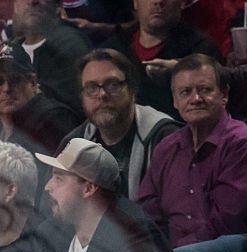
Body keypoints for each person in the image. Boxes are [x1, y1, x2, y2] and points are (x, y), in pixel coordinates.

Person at [137, 53, 247, 252]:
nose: (196, 99)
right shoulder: (166, 148)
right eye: (186, 92)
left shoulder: (244, 142)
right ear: (174, 100)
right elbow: (147, 214)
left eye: (205, 90)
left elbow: (229, 221)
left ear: (224, 95)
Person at [37, 137, 173, 252]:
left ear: (88, 189)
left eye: (59, 179)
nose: (48, 187)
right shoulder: (51, 233)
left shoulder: (134, 237)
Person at [62, 48, 180, 200]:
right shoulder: (75, 142)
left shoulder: (166, 139)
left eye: (112, 85)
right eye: (91, 88)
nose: (102, 94)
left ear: (132, 90)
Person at [100, 0, 221, 118]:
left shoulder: (201, 48)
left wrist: (181, 74)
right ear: (135, 3)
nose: (158, 2)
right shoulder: (112, 49)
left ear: (183, 3)